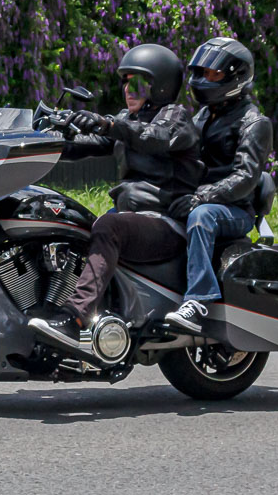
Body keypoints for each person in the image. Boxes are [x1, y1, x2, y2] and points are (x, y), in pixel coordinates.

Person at [27, 44, 202, 355]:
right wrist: (42, 138)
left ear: (160, 85)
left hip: (166, 223)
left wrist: (108, 124)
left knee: (109, 226)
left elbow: (153, 137)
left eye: (138, 83)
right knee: (69, 222)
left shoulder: (175, 118)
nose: (128, 90)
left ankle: (74, 319)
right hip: (135, 220)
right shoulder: (127, 119)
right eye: (126, 82)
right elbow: (86, 144)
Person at [162, 37, 272, 335]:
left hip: (234, 210)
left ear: (236, 77)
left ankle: (198, 302)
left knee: (202, 217)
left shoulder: (254, 122)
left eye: (212, 74)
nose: (203, 80)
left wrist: (203, 197)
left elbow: (246, 177)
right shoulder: (203, 116)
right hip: (199, 200)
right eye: (201, 72)